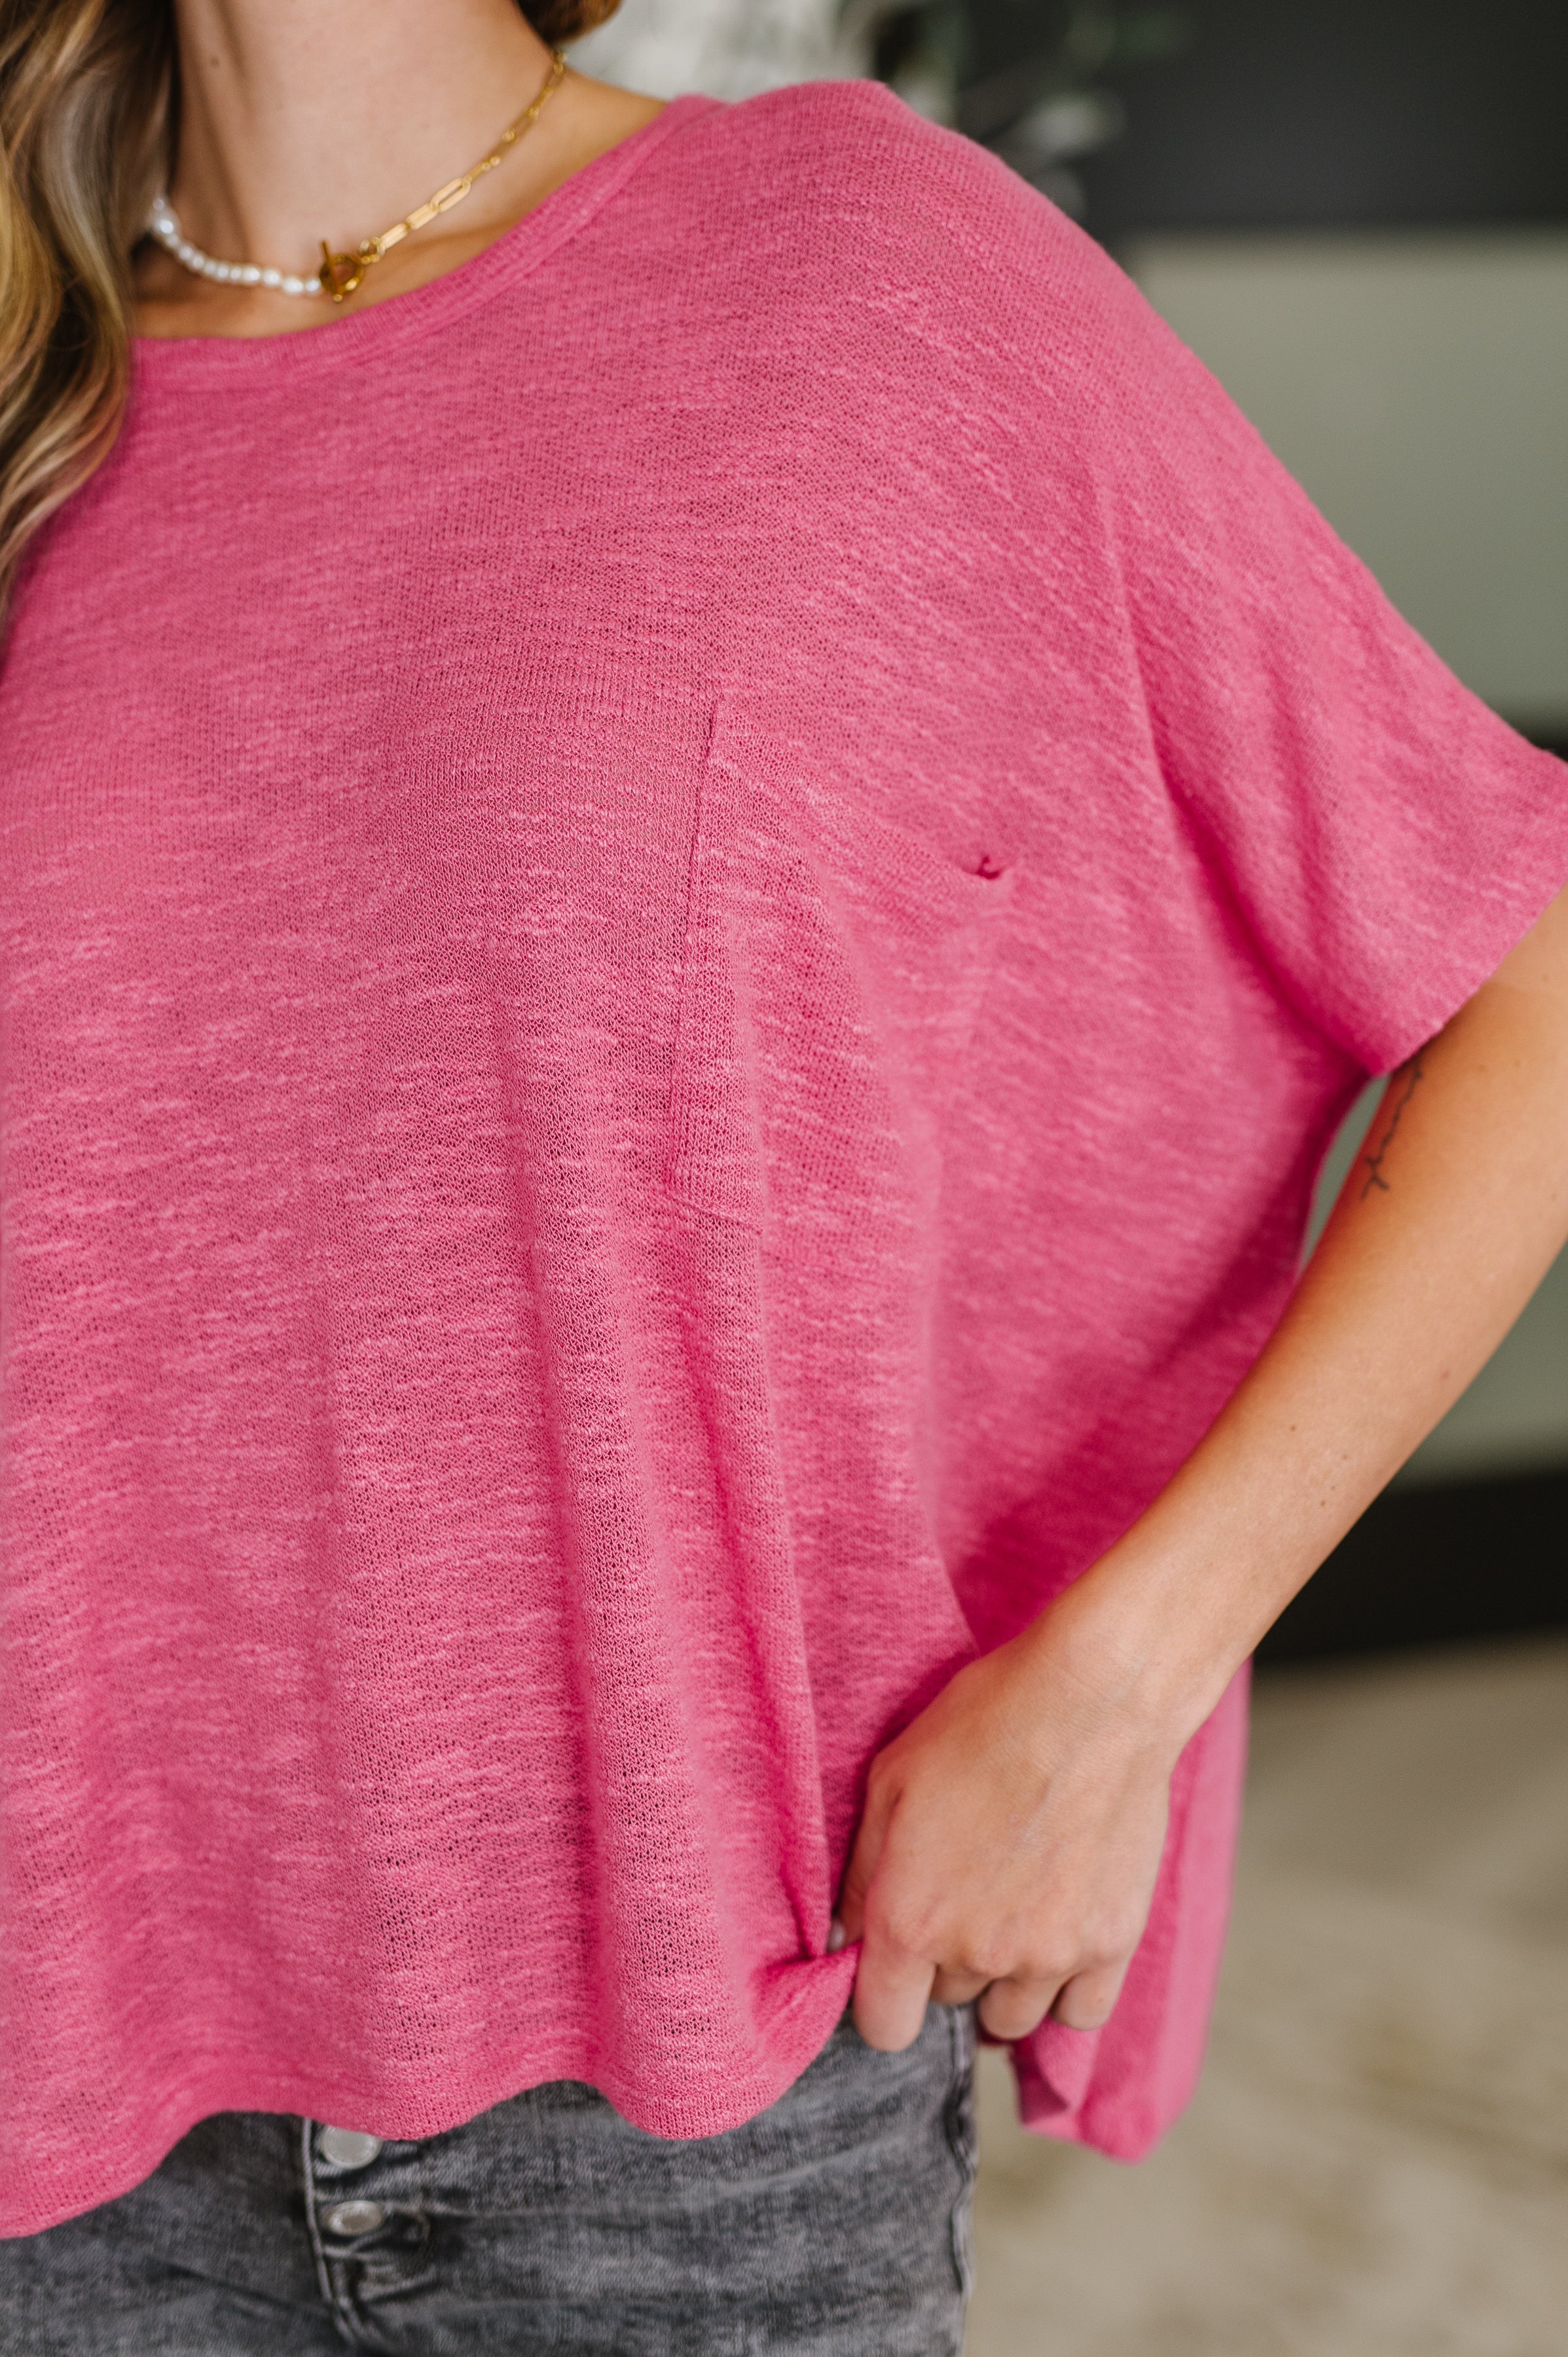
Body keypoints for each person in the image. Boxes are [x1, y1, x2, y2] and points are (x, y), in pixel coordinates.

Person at [1, 0, 1565, 2347]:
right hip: (56, 2084)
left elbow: (1520, 991)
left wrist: (1112, 1683)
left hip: (679, 2100)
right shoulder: (41, 390)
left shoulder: (849, 266)